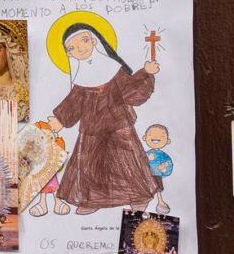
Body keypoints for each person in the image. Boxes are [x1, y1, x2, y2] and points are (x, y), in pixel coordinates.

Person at [46, 15, 162, 215]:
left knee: (128, 162)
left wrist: (146, 73)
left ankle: (139, 197)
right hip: (92, 130)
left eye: (82, 41)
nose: (79, 49)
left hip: (119, 125)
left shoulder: (114, 69)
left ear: (93, 40)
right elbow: (73, 101)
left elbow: (132, 92)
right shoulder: (81, 79)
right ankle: (91, 200)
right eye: (71, 48)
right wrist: (59, 120)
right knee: (90, 165)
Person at [143, 124, 174, 215]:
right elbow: (140, 162)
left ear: (167, 141)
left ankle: (160, 202)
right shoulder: (147, 153)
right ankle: (145, 206)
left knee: (158, 190)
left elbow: (169, 166)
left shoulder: (164, 156)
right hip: (146, 175)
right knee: (146, 190)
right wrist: (147, 159)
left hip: (157, 175)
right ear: (145, 138)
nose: (156, 137)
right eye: (151, 134)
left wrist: (164, 169)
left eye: (161, 136)